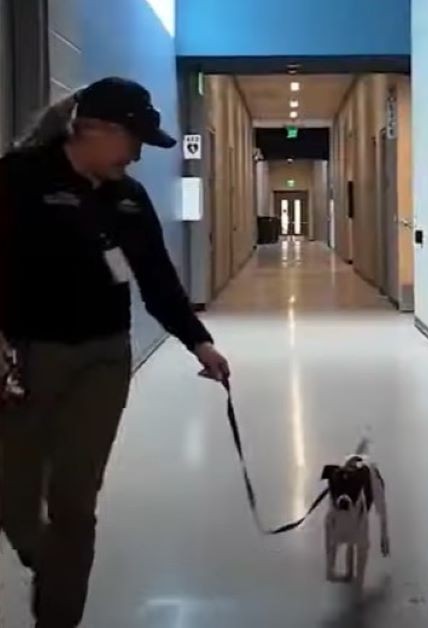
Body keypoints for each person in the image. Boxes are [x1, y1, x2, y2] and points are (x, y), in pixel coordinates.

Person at [0, 77, 230, 628]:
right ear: (96, 129)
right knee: (13, 499)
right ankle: (52, 565)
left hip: (103, 359)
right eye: (133, 140)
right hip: (24, 359)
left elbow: (155, 277)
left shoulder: (128, 198)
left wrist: (199, 340)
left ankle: (57, 616)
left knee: (75, 502)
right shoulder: (18, 179)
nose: (136, 154)